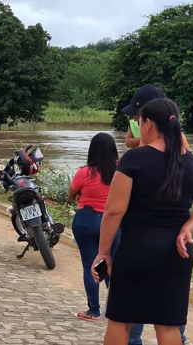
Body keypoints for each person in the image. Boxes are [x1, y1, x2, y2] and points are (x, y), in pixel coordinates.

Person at [92, 98, 193, 345]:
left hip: (137, 250)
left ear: (148, 123)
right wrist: (186, 228)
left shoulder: (134, 159)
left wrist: (104, 252)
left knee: (122, 320)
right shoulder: (191, 162)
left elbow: (114, 211)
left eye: (139, 123)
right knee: (168, 325)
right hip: (177, 254)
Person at [119, 85, 189, 344]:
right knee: (163, 314)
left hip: (151, 231)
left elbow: (183, 163)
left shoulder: (175, 140)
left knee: (136, 311)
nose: (136, 121)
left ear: (149, 118)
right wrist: (144, 143)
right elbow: (128, 141)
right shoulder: (136, 151)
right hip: (159, 230)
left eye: (139, 118)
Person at [68, 133, 121, 322]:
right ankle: (119, 308)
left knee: (89, 264)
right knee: (109, 264)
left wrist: (81, 195)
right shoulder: (120, 172)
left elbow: (70, 193)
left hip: (87, 220)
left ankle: (94, 311)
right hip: (112, 222)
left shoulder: (84, 172)